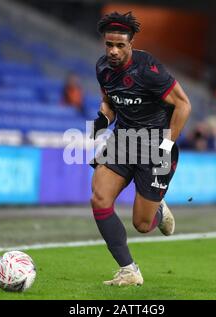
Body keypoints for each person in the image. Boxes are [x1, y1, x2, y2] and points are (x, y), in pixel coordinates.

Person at [89, 12, 191, 286]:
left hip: (155, 145)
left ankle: (157, 210)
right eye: (109, 44)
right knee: (99, 198)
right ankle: (129, 270)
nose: (113, 51)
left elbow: (183, 105)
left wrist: (167, 145)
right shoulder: (102, 68)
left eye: (120, 45)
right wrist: (103, 119)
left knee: (142, 225)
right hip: (123, 140)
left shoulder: (149, 70)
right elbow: (109, 102)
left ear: (131, 43)